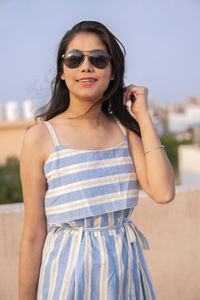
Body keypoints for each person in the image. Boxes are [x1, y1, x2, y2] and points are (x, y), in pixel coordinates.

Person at [19, 20, 175, 300]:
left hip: (125, 274)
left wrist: (143, 115)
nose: (86, 66)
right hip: (67, 278)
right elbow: (33, 233)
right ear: (62, 72)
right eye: (74, 59)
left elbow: (163, 192)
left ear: (113, 72)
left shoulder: (126, 131)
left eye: (99, 59)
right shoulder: (40, 137)